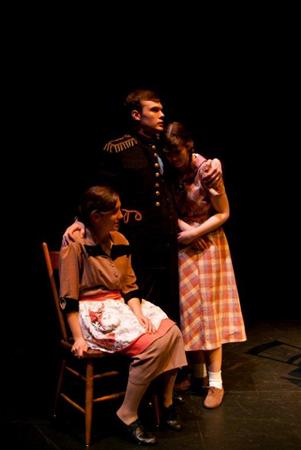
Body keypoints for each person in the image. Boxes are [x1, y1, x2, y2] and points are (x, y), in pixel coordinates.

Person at [63, 89, 222, 325]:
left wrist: (214, 162)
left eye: (162, 109)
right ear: (137, 115)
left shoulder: (162, 147)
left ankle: (169, 359)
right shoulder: (119, 148)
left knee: (169, 305)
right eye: (155, 110)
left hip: (167, 239)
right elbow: (97, 190)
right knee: (141, 300)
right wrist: (80, 220)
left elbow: (186, 163)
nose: (162, 115)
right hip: (136, 240)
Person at [59, 185, 187, 445]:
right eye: (115, 211)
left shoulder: (121, 241)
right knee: (152, 344)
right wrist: (77, 338)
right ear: (96, 216)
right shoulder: (76, 246)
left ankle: (166, 399)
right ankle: (127, 412)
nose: (121, 215)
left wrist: (138, 313)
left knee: (172, 331)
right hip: (95, 312)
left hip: (122, 305)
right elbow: (69, 298)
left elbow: (130, 286)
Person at [163, 122, 247, 409]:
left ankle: (215, 382)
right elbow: (165, 209)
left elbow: (224, 212)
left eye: (178, 154)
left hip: (208, 244)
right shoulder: (168, 172)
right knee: (190, 313)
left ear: (189, 147)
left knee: (209, 314)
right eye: (169, 154)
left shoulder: (207, 171)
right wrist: (185, 229)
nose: (173, 159)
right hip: (185, 244)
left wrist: (195, 233)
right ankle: (197, 375)